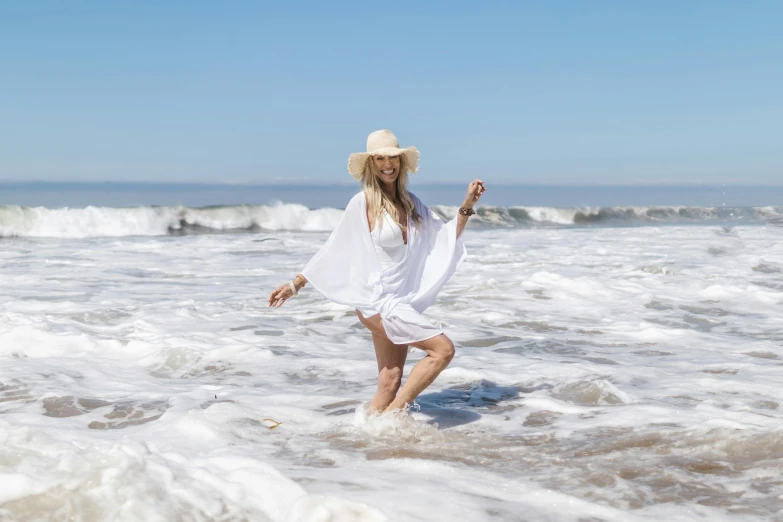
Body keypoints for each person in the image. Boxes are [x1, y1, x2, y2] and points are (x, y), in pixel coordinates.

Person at [268, 130, 486, 414]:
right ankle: (395, 416)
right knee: (443, 350)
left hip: (400, 300)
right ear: (371, 164)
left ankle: (365, 433)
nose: (388, 164)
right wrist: (296, 284)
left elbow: (444, 238)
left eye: (393, 158)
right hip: (376, 301)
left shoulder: (411, 203)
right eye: (380, 158)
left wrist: (468, 204)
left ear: (401, 162)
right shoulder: (363, 203)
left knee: (390, 380)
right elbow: (334, 247)